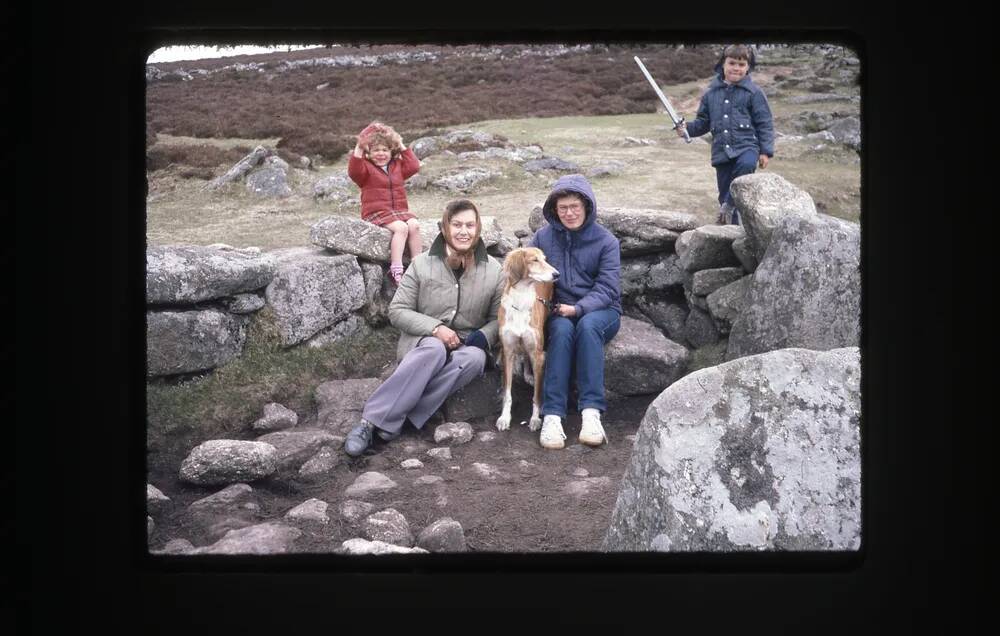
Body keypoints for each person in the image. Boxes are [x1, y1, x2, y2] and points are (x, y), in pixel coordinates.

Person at [344, 199, 505, 457]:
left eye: (470, 225)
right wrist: (435, 328)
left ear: (478, 229)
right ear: (444, 228)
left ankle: (401, 418)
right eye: (457, 225)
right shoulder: (421, 263)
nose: (464, 231)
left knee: (474, 359)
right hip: (424, 340)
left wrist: (482, 336)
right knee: (434, 350)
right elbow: (397, 311)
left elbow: (499, 318)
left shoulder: (495, 270)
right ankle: (370, 422)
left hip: (467, 343)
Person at [529, 174, 622, 450]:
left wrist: (579, 308)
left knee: (588, 326)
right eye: (563, 208)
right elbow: (531, 276)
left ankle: (591, 413)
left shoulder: (606, 241)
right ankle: (553, 416)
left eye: (574, 206)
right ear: (554, 211)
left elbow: (608, 288)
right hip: (559, 310)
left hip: (602, 310)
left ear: (587, 206)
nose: (569, 213)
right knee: (559, 330)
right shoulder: (542, 238)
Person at [676, 44, 775, 225]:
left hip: (747, 146)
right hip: (721, 152)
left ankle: (728, 206)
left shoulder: (754, 93)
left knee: (745, 168)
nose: (736, 68)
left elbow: (765, 123)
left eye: (741, 64)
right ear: (723, 64)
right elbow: (703, 123)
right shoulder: (710, 94)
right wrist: (686, 129)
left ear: (748, 68)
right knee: (724, 193)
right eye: (732, 63)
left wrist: (765, 151)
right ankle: (730, 230)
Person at [347, 121, 423, 284]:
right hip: (376, 213)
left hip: (399, 211)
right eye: (375, 150)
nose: (380, 154)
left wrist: (399, 143)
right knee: (402, 228)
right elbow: (353, 170)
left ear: (391, 151)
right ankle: (395, 269)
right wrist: (361, 144)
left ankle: (418, 266)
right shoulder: (365, 169)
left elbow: (414, 166)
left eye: (384, 150)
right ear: (369, 153)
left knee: (414, 225)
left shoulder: (398, 166)